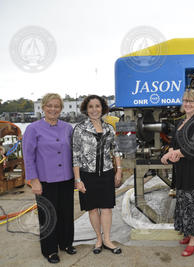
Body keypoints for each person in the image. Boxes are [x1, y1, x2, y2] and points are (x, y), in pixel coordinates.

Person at [23, 93, 76, 264]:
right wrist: (33, 180)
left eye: (57, 106)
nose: (53, 109)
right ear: (43, 107)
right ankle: (50, 250)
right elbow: (28, 157)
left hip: (67, 178)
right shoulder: (33, 129)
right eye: (49, 106)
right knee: (48, 216)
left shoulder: (68, 128)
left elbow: (74, 153)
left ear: (61, 109)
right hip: (45, 180)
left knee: (66, 213)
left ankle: (66, 243)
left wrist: (77, 177)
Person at [161, 89, 194, 257]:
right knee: (184, 202)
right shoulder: (181, 121)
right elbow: (175, 143)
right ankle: (190, 233)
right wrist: (170, 152)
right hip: (183, 168)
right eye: (185, 100)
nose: (188, 104)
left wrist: (173, 154)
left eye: (192, 101)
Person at [72, 95, 123, 255]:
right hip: (88, 175)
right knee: (92, 209)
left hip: (107, 173)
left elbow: (116, 150)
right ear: (86, 110)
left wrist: (119, 170)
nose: (94, 110)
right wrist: (78, 179)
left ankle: (107, 239)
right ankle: (98, 239)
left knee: (107, 208)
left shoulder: (109, 128)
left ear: (103, 108)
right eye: (91, 107)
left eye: (97, 106)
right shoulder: (79, 129)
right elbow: (76, 155)